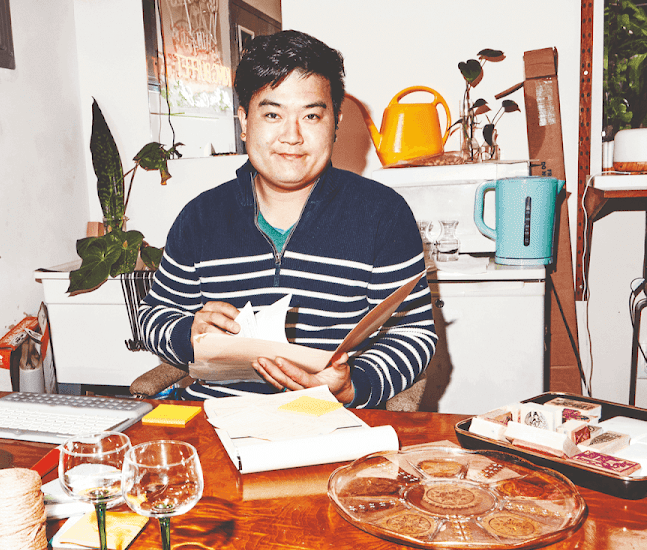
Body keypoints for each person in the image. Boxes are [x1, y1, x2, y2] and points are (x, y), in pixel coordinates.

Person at [137, 30, 436, 407]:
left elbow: (413, 334)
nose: (292, 136)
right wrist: (189, 332)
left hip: (334, 424)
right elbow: (153, 317)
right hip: (220, 421)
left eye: (310, 115)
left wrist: (352, 385)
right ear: (244, 120)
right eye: (273, 114)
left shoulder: (383, 215)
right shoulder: (200, 217)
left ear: (336, 121)